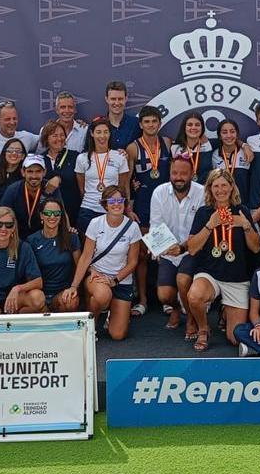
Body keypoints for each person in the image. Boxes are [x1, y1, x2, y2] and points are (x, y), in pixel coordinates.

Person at [186, 170, 260, 350]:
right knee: (194, 296)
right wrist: (210, 225)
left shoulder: (242, 211)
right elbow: (192, 248)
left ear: (232, 187)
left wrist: (246, 225)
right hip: (209, 273)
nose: (220, 190)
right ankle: (204, 329)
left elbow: (256, 247)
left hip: (236, 277)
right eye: (216, 186)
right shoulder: (204, 213)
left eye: (224, 185)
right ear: (210, 189)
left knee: (235, 338)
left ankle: (224, 310)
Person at [64, 186, 142, 340]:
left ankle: (113, 312)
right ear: (105, 204)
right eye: (112, 200)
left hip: (120, 280)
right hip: (97, 275)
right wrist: (74, 285)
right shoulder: (95, 223)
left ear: (125, 203)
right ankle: (91, 324)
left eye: (120, 200)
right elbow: (86, 256)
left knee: (118, 335)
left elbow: (133, 262)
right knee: (102, 295)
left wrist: (114, 281)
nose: (116, 204)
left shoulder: (132, 227)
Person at [150, 155, 205, 331]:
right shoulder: (159, 192)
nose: (178, 177)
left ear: (192, 174)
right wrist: (162, 248)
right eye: (174, 173)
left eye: (183, 173)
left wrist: (181, 247)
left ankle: (190, 316)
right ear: (169, 173)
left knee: (183, 280)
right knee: (164, 295)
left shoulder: (203, 193)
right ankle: (175, 308)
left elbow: (202, 231)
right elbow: (155, 226)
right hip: (168, 251)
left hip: (193, 251)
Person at [127, 106, 173, 315]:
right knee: (144, 255)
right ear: (140, 125)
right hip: (144, 205)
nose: (151, 125)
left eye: (154, 121)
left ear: (160, 123)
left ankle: (166, 298)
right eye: (146, 122)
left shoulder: (168, 143)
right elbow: (125, 180)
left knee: (165, 251)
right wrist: (128, 206)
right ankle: (143, 299)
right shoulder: (133, 148)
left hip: (165, 205)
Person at [26, 197, 83, 313]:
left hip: (62, 293)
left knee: (71, 301)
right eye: (48, 213)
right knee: (24, 311)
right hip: (39, 294)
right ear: (41, 215)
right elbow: (28, 273)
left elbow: (80, 266)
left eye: (56, 213)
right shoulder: (32, 240)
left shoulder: (71, 237)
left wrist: (74, 287)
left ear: (61, 216)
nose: (52, 217)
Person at [75, 118, 131, 233]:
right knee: (88, 248)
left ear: (110, 134)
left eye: (106, 132)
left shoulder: (120, 157)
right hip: (88, 210)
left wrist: (126, 208)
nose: (102, 136)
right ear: (92, 133)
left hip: (112, 210)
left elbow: (122, 187)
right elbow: (81, 188)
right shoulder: (82, 158)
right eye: (98, 132)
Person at [0, 155, 62, 239]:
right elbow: (2, 215)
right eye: (30, 171)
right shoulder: (13, 190)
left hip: (44, 237)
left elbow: (61, 213)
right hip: (17, 237)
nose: (34, 176)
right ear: (23, 172)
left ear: (44, 172)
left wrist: (68, 229)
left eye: (38, 171)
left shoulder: (51, 187)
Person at [39, 119, 81, 223]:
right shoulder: (40, 160)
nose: (59, 138)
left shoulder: (75, 156)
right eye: (54, 135)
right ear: (46, 138)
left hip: (73, 213)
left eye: (62, 135)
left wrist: (59, 178)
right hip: (48, 215)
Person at [212, 118, 254, 203]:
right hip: (221, 205)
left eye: (232, 131)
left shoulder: (246, 153)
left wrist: (244, 145)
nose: (229, 135)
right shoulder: (214, 155)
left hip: (243, 204)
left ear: (237, 134)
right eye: (224, 132)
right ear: (219, 136)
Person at [171, 112, 213, 183]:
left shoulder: (210, 145)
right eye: (190, 125)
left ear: (202, 128)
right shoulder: (175, 148)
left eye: (197, 125)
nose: (193, 128)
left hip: (204, 191)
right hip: (183, 191)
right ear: (184, 127)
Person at [0, 137, 28, 205]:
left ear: (23, 156)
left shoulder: (24, 174)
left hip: (11, 213)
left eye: (18, 151)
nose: (14, 153)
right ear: (4, 153)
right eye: (10, 150)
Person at [103, 80, 141, 150]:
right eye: (113, 99)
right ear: (106, 99)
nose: (117, 103)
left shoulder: (136, 124)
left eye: (120, 99)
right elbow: (88, 153)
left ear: (126, 99)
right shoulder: (97, 125)